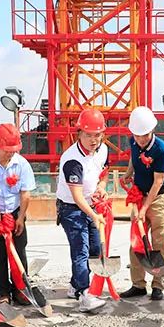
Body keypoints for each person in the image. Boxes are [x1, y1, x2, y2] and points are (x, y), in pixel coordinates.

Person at [55, 108, 108, 313]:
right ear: (79, 134)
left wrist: (101, 187)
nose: (93, 140)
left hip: (91, 205)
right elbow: (77, 197)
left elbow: (104, 172)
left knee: (95, 250)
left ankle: (75, 284)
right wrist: (94, 216)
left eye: (97, 135)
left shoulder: (102, 149)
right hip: (71, 209)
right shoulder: (72, 160)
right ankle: (84, 294)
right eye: (88, 135)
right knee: (81, 251)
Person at [119, 106, 164, 300]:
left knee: (159, 241)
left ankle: (158, 285)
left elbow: (158, 182)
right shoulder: (133, 141)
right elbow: (133, 158)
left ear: (152, 130)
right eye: (137, 135)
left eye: (144, 135)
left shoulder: (162, 150)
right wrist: (128, 173)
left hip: (158, 198)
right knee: (136, 241)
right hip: (139, 194)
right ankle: (138, 284)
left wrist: (144, 208)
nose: (141, 139)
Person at [0, 123, 36, 305]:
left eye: (14, 150)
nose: (10, 154)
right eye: (7, 150)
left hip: (15, 212)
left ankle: (20, 288)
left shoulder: (21, 164)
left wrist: (20, 217)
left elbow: (25, 193)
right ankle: (3, 291)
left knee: (19, 251)